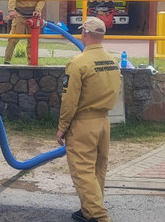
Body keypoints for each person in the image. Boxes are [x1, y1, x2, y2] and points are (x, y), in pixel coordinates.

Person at [56, 17, 121, 222]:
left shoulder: (78, 63)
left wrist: (62, 127)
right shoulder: (113, 61)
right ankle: (88, 210)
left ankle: (98, 216)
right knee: (97, 169)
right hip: (103, 122)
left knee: (82, 171)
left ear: (85, 33)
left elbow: (69, 100)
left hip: (83, 123)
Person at [4, 0, 48, 64]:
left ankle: (31, 63)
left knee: (33, 40)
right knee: (14, 38)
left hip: (33, 15)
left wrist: (38, 10)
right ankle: (6, 61)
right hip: (19, 13)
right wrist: (11, 10)